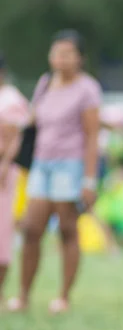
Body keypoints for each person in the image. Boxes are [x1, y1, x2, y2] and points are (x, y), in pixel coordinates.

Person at [8, 30, 102, 314]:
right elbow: (33, 122)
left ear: (80, 58)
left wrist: (89, 179)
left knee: (66, 229)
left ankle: (63, 296)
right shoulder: (45, 83)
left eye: (67, 52)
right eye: (57, 51)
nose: (60, 58)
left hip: (70, 166)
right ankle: (23, 295)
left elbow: (91, 136)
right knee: (31, 229)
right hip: (41, 164)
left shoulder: (87, 88)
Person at [0, 51, 30, 305]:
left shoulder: (11, 100)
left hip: (4, 175)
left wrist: (4, 164)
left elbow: (15, 138)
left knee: (2, 231)